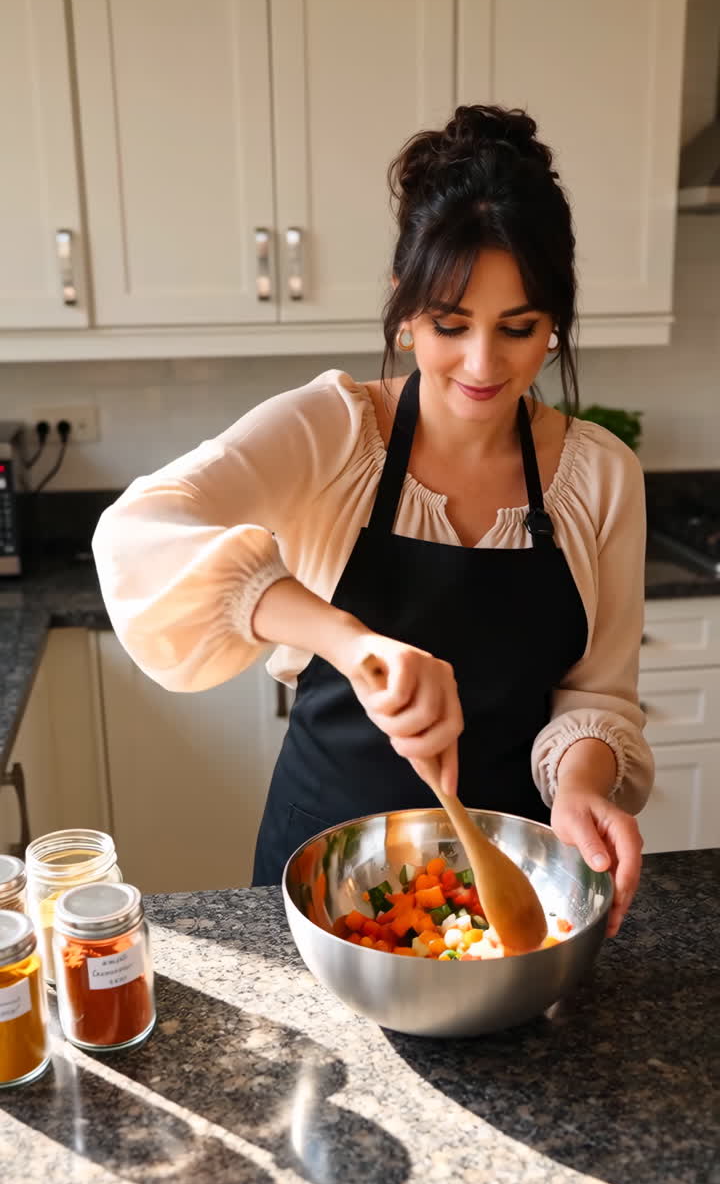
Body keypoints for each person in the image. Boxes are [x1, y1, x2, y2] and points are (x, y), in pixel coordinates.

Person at [92, 104, 653, 937]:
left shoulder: (601, 475)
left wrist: (580, 783)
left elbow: (595, 692)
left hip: (515, 879)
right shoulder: (332, 431)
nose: (482, 364)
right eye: (449, 325)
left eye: (519, 329)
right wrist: (345, 640)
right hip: (325, 879)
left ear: (557, 320)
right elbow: (137, 533)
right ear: (404, 307)